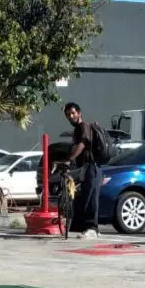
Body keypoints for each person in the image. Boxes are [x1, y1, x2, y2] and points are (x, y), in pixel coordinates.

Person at [61, 102, 102, 239]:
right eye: (68, 115)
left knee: (91, 198)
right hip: (86, 168)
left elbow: (83, 144)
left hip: (93, 166)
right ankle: (87, 227)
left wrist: (70, 159)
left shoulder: (83, 126)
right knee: (84, 197)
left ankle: (92, 229)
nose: (71, 116)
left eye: (73, 113)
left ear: (79, 113)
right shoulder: (77, 129)